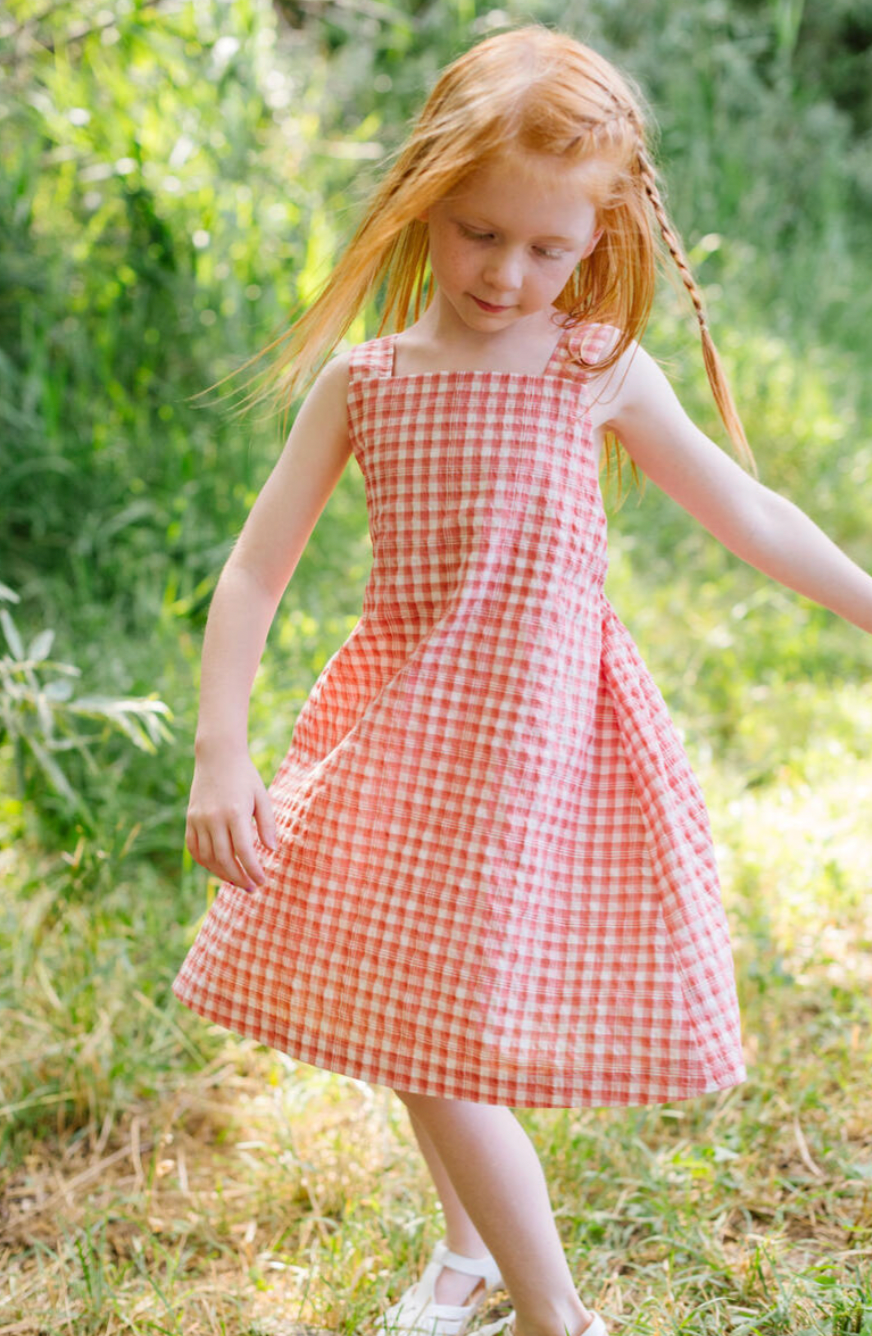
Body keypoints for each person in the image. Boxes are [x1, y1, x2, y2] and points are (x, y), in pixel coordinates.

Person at [173, 25, 872, 1336]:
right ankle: (502, 1276)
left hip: (540, 740)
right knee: (415, 1015)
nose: (510, 273)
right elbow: (256, 572)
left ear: (599, 234)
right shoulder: (369, 380)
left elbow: (753, 512)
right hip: (403, 731)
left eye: (551, 248)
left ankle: (541, 1305)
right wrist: (224, 747)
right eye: (481, 233)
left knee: (430, 1022)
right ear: (429, 201)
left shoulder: (590, 366)